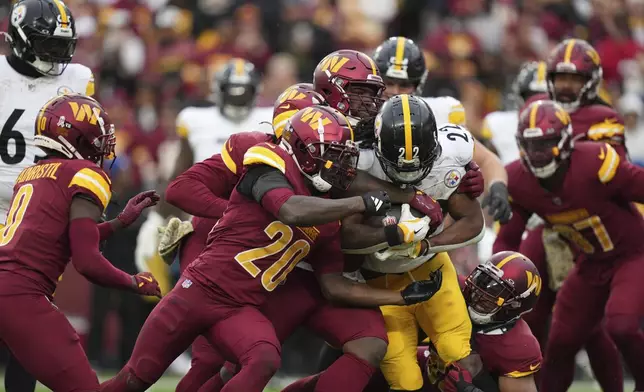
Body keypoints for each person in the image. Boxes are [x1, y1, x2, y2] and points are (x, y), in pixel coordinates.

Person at [163, 82, 482, 392]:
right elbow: (181, 189)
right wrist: (240, 214)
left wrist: (448, 187)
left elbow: (336, 267)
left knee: (371, 341)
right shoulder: (257, 148)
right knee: (229, 359)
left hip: (314, 272)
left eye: (334, 143)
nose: (331, 152)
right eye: (318, 142)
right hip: (256, 274)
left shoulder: (346, 160)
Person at [100, 105, 398, 392]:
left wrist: (397, 235)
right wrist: (361, 202)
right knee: (134, 380)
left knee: (264, 359)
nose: (342, 167)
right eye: (334, 156)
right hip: (198, 292)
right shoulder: (268, 166)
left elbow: (333, 278)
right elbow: (290, 210)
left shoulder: (327, 213)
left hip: (240, 307)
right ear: (305, 153)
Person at [0, 93, 162, 392]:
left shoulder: (30, 174)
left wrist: (118, 222)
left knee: (20, 380)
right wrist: (133, 282)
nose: (102, 144)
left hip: (8, 287)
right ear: (77, 136)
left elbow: (62, 237)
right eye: (97, 137)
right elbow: (86, 261)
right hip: (22, 295)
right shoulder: (84, 174)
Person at [494, 99, 644, 392]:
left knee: (621, 324)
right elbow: (508, 239)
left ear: (564, 140)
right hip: (589, 263)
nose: (537, 154)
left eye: (545, 144)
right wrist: (496, 276)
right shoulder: (519, 180)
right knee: (562, 341)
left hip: (632, 254)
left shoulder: (595, 160)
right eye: (531, 146)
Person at [342, 94, 486, 391]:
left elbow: (473, 221)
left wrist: (427, 245)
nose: (408, 174)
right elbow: (348, 238)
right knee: (405, 380)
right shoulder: (361, 160)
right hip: (376, 279)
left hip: (430, 265)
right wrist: (391, 235)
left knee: (459, 355)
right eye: (399, 167)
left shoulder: (451, 155)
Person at [509, 39, 626, 391]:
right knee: (526, 309)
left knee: (588, 325)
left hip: (588, 225)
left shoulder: (603, 118)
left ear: (592, 81)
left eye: (575, 79)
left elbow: (608, 178)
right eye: (560, 77)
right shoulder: (533, 111)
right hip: (544, 223)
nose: (565, 86)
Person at [0, 1, 96, 390]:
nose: (57, 56)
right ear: (20, 40)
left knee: (29, 328)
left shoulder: (78, 78)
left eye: (62, 46)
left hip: (39, 215)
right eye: (46, 45)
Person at [134, 57, 273, 280]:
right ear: (218, 91)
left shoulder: (270, 118)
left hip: (255, 227)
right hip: (203, 226)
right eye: (232, 93)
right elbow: (180, 177)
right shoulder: (196, 120)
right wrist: (156, 220)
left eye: (243, 93)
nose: (237, 101)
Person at [372, 36, 511, 223]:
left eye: (404, 84)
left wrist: (497, 186)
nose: (395, 91)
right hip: (374, 216)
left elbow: (487, 159)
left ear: (418, 84)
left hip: (427, 223)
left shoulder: (435, 114)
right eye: (388, 82)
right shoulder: (363, 114)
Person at [416, 251, 542, 392]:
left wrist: (470, 389)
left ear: (514, 306)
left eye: (495, 291)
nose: (479, 293)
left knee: (467, 368)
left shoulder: (518, 346)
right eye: (483, 281)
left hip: (462, 386)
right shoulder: (457, 290)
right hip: (432, 371)